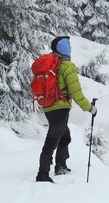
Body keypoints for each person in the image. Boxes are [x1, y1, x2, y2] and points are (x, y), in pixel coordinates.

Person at [36, 36, 97, 183]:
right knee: (52, 140)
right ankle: (42, 174)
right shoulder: (66, 66)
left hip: (48, 107)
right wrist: (90, 108)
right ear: (65, 49)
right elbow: (76, 92)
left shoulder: (53, 64)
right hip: (60, 108)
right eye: (69, 46)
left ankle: (61, 166)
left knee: (65, 136)